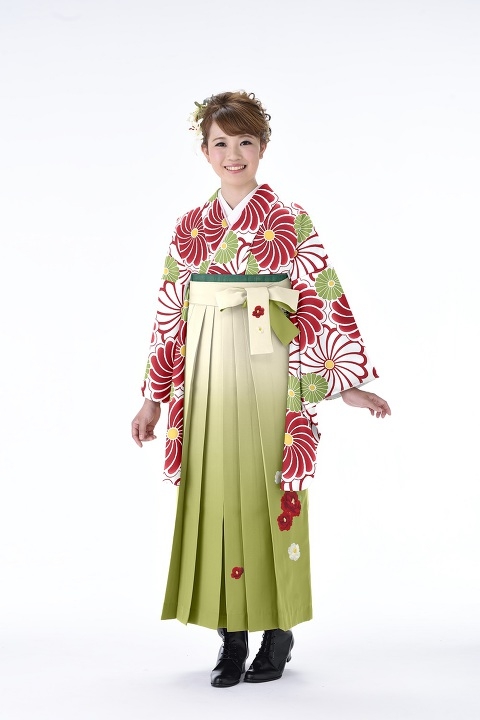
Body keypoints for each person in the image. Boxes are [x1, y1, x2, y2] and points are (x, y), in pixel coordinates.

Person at [131, 91, 391, 688]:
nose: (233, 153)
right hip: (206, 374)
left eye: (244, 141)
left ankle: (277, 631)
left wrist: (347, 383)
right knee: (217, 496)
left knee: (271, 493)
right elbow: (170, 311)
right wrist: (152, 397)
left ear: (263, 147)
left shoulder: (290, 219)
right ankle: (231, 637)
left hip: (272, 369)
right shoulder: (189, 227)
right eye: (220, 142)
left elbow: (321, 295)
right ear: (204, 152)